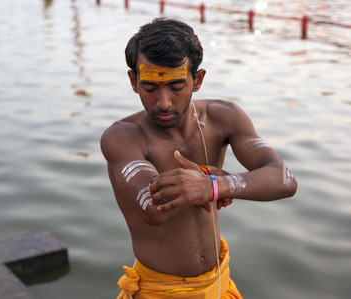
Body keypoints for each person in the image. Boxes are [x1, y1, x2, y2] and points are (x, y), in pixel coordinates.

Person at [100, 18, 297, 299]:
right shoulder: (124, 136)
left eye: (177, 86)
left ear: (198, 79)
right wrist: (218, 179)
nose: (164, 102)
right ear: (133, 81)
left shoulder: (224, 116)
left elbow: (284, 180)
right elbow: (152, 209)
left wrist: (214, 185)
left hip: (220, 283)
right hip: (160, 292)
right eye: (150, 87)